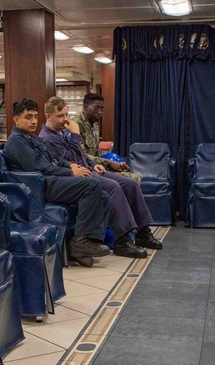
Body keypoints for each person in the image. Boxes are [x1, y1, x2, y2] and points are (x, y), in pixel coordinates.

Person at [40, 96, 160, 256]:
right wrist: (76, 134)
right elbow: (68, 160)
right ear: (48, 116)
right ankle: (122, 240)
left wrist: (92, 164)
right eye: (60, 116)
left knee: (129, 183)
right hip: (74, 178)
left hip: (88, 170)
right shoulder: (47, 138)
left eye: (66, 115)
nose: (65, 119)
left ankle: (143, 232)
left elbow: (80, 154)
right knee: (113, 188)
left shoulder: (63, 132)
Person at [4, 98, 110, 266]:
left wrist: (69, 164)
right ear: (16, 120)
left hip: (52, 179)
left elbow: (53, 159)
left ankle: (87, 242)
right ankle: (81, 242)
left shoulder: (32, 137)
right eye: (28, 117)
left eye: (36, 117)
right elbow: (39, 167)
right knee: (92, 185)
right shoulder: (16, 141)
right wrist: (70, 172)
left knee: (103, 196)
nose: (33, 121)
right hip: (38, 186)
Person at [72, 93, 139, 183]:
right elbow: (80, 155)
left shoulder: (94, 124)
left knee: (133, 176)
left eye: (102, 109)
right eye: (96, 108)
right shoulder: (75, 125)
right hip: (85, 168)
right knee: (130, 180)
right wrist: (108, 163)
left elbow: (95, 153)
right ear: (85, 107)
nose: (99, 112)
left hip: (97, 165)